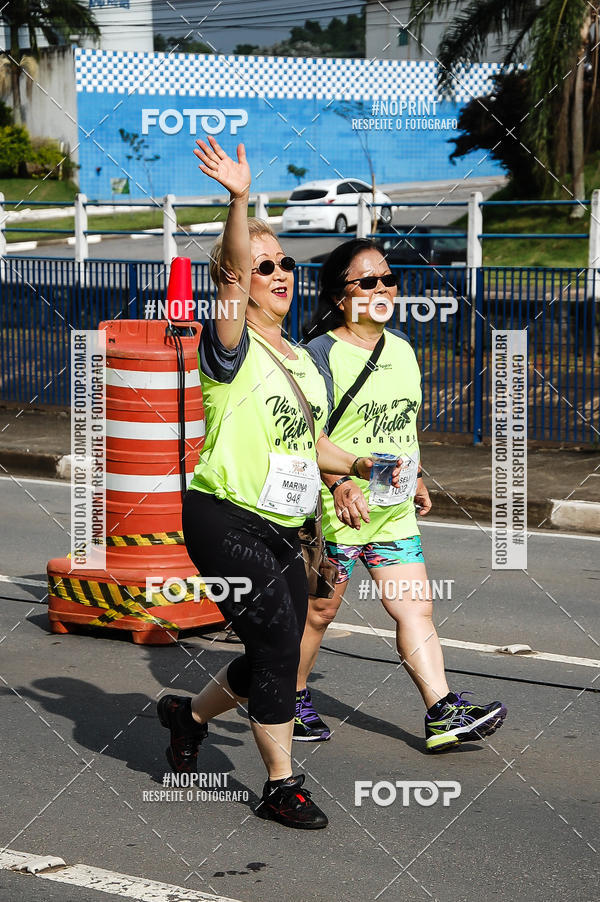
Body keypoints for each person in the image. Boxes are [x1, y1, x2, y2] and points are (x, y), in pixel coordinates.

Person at [157, 139, 403, 829]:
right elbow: (232, 275)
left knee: (282, 646)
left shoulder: (301, 356)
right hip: (222, 515)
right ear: (239, 278)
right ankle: (281, 784)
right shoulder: (231, 343)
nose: (280, 273)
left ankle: (186, 713)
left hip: (285, 523)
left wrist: (361, 474)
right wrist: (240, 200)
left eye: (286, 262)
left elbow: (310, 444)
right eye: (264, 266)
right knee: (271, 642)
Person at [294, 238, 507, 752]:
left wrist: (415, 476)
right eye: (367, 281)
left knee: (416, 608)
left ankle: (441, 711)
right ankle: (290, 696)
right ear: (339, 295)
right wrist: (339, 483)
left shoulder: (404, 350)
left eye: (389, 279)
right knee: (318, 614)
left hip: (390, 510)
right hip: (334, 512)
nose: (383, 288)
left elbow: (403, 428)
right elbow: (304, 436)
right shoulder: (317, 356)